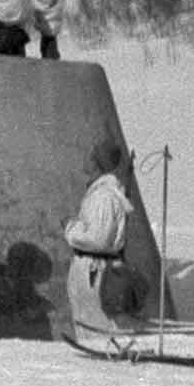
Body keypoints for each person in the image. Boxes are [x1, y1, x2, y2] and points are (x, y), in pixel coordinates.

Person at [63, 138, 148, 336]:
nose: (86, 160)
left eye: (90, 156)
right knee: (90, 324)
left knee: (95, 326)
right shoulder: (103, 194)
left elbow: (99, 239)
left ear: (96, 163)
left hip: (94, 270)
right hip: (94, 267)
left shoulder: (104, 197)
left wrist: (70, 228)